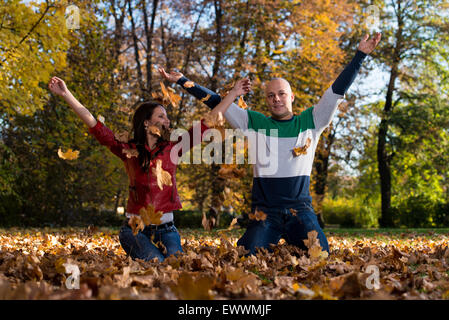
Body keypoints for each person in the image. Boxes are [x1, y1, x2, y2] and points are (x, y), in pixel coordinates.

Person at [159, 33, 382, 255]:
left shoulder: (312, 121)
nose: (276, 99)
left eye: (281, 94)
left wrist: (360, 55)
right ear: (266, 100)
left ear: (291, 97)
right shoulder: (254, 122)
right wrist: (182, 80)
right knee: (247, 256)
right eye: (271, 95)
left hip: (300, 211)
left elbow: (336, 91)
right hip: (265, 213)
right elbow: (217, 102)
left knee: (321, 255)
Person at [48, 77, 249, 261]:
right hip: (134, 231)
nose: (167, 121)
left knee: (174, 267)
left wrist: (233, 94)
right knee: (156, 265)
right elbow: (94, 125)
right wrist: (66, 94)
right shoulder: (128, 150)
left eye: (167, 118)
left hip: (167, 230)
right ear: (146, 123)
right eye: (161, 116)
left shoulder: (174, 148)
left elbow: (210, 121)